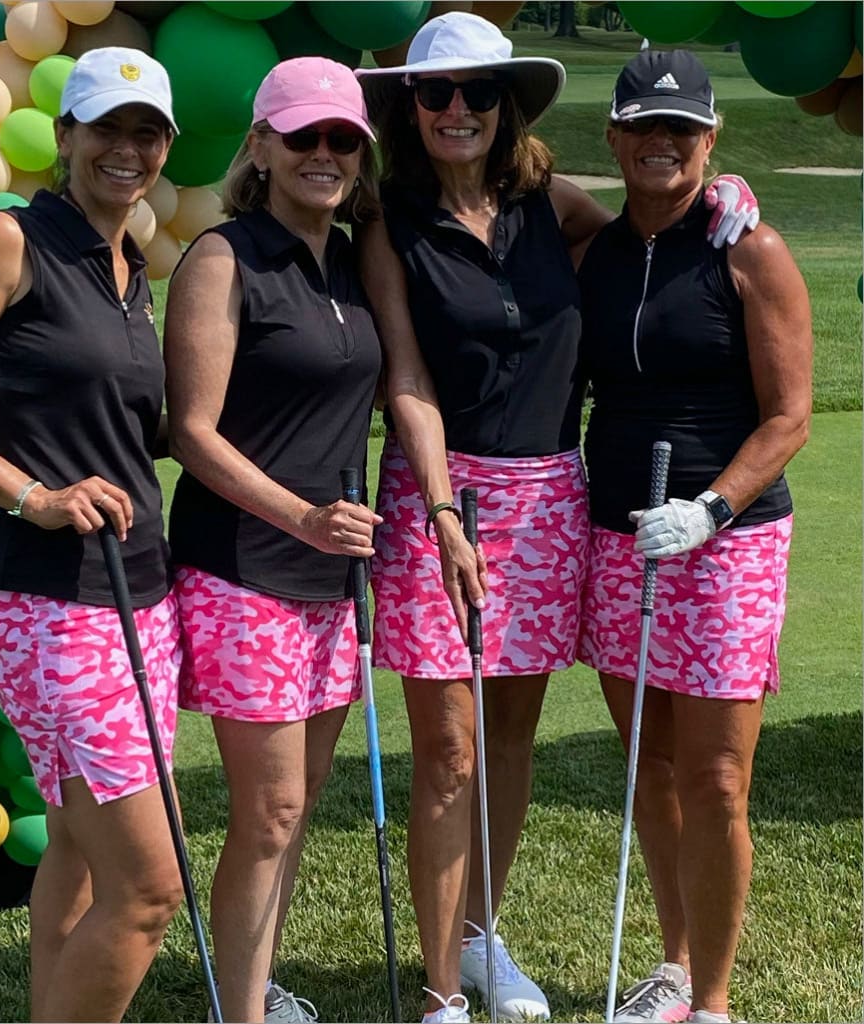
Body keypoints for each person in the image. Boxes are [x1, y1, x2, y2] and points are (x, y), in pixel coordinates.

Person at [354, 13, 759, 1023]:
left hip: (548, 500)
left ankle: (479, 934)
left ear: (507, 106)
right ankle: (443, 993)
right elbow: (404, 371)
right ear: (412, 107)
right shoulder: (387, 218)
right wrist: (443, 506)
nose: (457, 110)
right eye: (436, 94)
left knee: (508, 741)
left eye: (478, 93)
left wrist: (721, 195)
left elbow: (641, 227)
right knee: (447, 751)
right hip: (438, 497)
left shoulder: (546, 203)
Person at [0, 48, 184, 1023]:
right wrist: (31, 495)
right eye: (106, 128)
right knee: (149, 887)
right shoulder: (7, 243)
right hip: (54, 607)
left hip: (137, 595)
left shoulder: (130, 268)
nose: (126, 150)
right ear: (65, 137)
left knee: (77, 849)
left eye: (147, 133)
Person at [577, 49, 812, 1024]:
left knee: (716, 776)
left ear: (710, 140)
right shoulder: (591, 246)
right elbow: (516, 176)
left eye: (683, 129)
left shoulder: (747, 248)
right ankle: (670, 966)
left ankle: (709, 1001)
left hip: (729, 541)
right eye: (644, 126)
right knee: (652, 765)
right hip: (618, 535)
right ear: (616, 138)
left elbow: (790, 413)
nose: (661, 143)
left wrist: (711, 508)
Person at [163, 57, 383, 1024]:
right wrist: (297, 516)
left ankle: (248, 986)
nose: (324, 155)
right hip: (243, 570)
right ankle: (238, 1012)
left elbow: (511, 193)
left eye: (342, 140)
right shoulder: (224, 256)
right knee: (272, 813)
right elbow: (191, 431)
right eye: (303, 137)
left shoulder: (353, 255)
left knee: (300, 804)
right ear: (260, 146)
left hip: (333, 582)